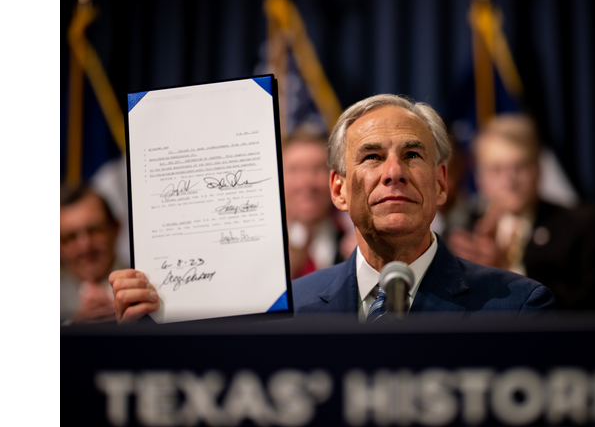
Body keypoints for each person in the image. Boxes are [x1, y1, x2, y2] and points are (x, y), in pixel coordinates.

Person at [109, 95, 555, 324]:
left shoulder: (517, 308)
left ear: (441, 184)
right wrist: (153, 323)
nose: (393, 172)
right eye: (372, 156)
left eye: (414, 155)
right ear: (338, 190)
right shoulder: (288, 311)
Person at [447, 114, 595, 310]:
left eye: (520, 167)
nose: (509, 181)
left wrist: (508, 271)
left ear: (539, 169)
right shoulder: (463, 235)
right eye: (496, 169)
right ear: (479, 178)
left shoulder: (583, 225)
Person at [282, 125, 355, 279]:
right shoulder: (264, 249)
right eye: (295, 170)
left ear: (336, 179)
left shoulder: (356, 240)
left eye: (318, 169)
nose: (306, 183)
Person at [61, 186, 123, 324]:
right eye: (70, 237)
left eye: (93, 230)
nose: (85, 246)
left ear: (116, 228)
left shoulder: (147, 283)